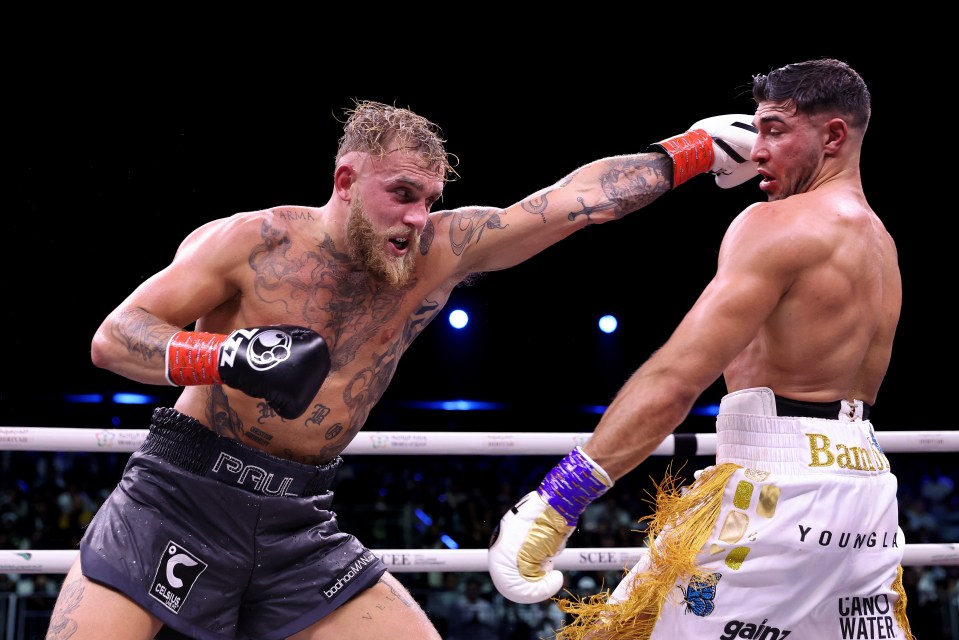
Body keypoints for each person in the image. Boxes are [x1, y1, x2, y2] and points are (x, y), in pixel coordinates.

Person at [44, 100, 759, 640]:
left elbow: (567, 205)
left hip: (299, 519)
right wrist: (226, 355)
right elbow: (115, 338)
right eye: (402, 193)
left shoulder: (437, 255)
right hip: (182, 495)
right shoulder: (252, 241)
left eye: (429, 199)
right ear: (346, 180)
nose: (419, 217)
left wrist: (692, 152)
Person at [488, 58, 916, 640]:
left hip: (775, 493)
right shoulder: (879, 243)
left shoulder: (774, 225)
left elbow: (676, 378)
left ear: (834, 135)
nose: (755, 148)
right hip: (866, 503)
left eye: (774, 130)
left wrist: (559, 500)